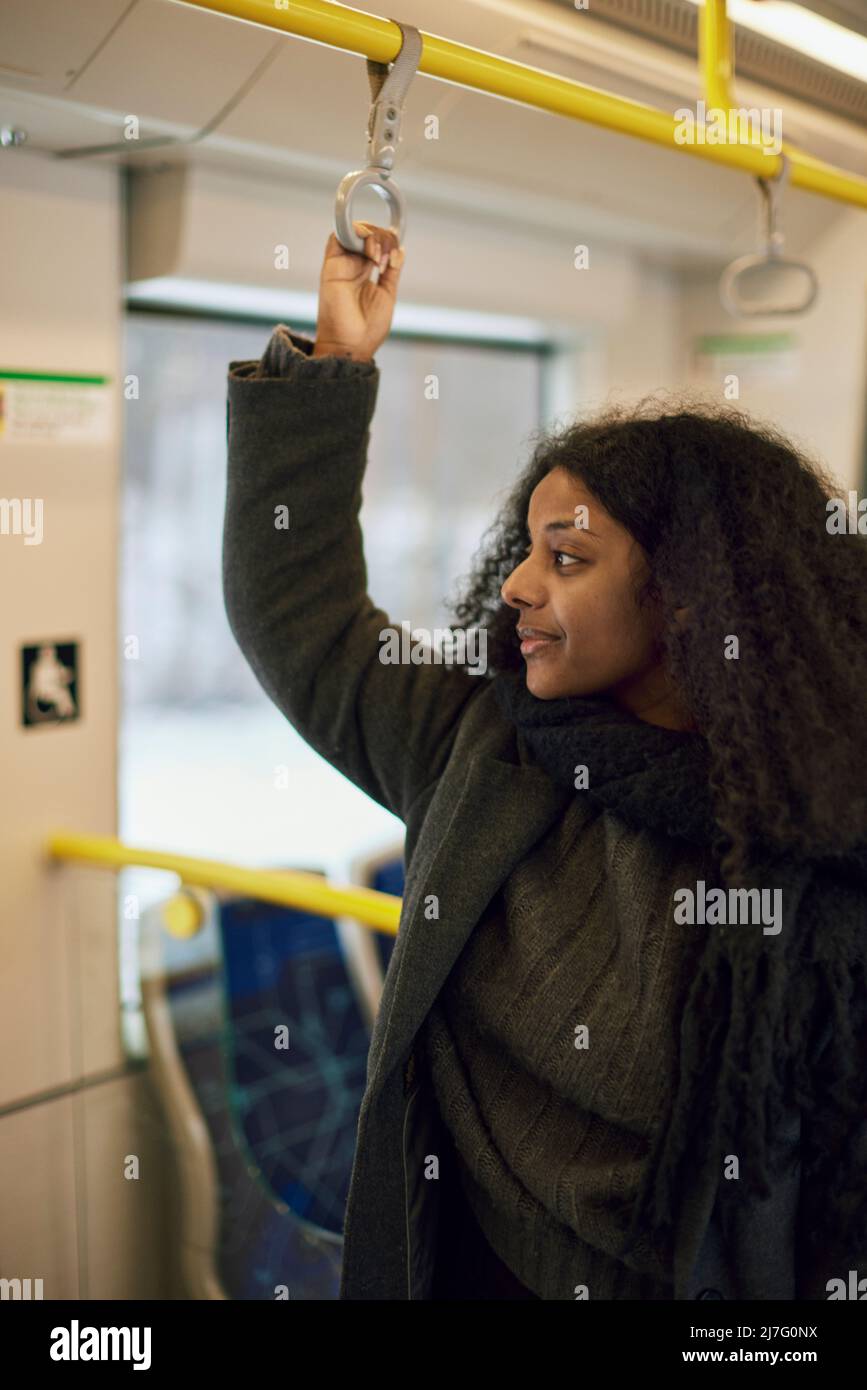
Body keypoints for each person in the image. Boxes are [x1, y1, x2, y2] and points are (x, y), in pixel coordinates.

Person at [223, 221, 867, 1301]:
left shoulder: (821, 851)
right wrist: (334, 367)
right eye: (524, 550)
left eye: (565, 558)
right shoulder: (483, 743)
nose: (518, 585)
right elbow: (303, 623)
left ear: (689, 598)